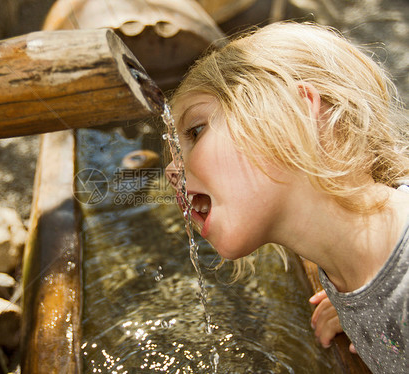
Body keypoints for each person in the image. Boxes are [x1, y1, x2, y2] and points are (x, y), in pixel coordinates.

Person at [165, 22, 409, 373]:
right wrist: (375, 322)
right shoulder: (354, 268)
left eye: (196, 130)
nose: (172, 171)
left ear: (300, 113)